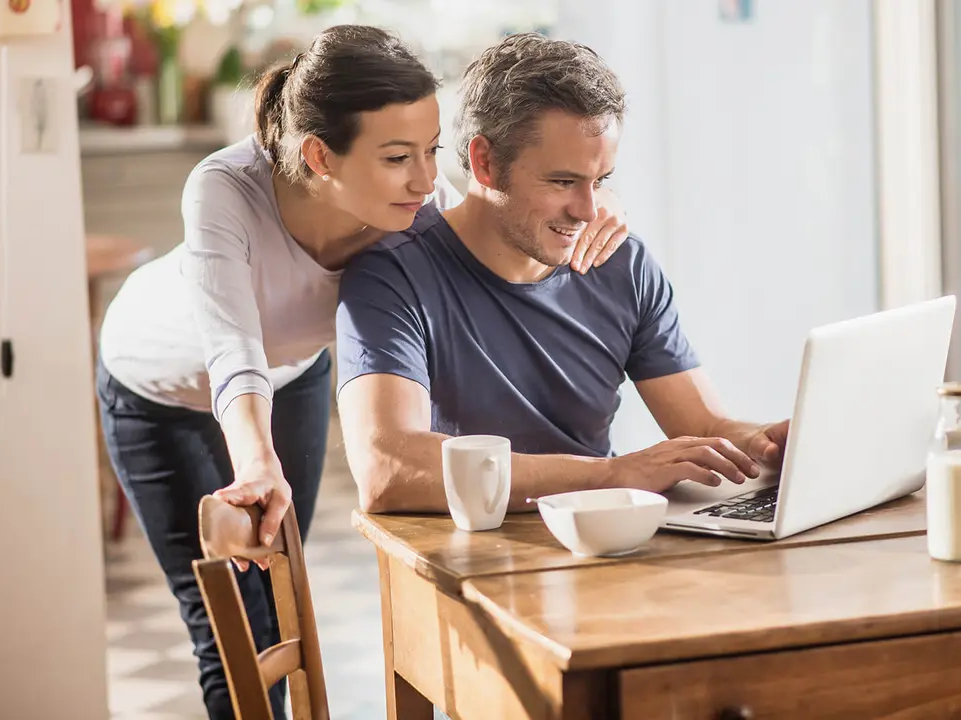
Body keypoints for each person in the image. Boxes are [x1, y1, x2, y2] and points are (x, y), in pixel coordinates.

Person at [94, 25, 633, 719]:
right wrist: (256, 464)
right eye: (397, 156)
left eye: (431, 151)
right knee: (231, 634)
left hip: (289, 379)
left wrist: (594, 203)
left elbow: (492, 217)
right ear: (321, 155)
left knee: (282, 608)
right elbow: (234, 348)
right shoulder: (225, 189)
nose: (425, 178)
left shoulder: (415, 206)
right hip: (155, 391)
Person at [334, 32, 790, 513]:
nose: (588, 210)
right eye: (562, 181)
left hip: (606, 547)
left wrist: (763, 442)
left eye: (601, 181)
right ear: (485, 163)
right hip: (466, 559)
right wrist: (610, 476)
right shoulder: (392, 274)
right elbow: (387, 470)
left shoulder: (623, 265)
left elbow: (706, 427)